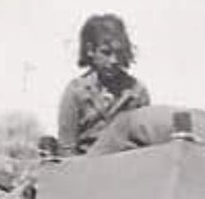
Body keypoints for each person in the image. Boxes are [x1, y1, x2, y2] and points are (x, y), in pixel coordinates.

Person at [57, 14, 151, 156]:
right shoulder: (76, 92)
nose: (114, 60)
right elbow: (67, 149)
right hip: (85, 170)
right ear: (90, 51)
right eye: (106, 52)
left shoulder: (136, 92)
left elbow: (145, 143)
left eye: (119, 53)